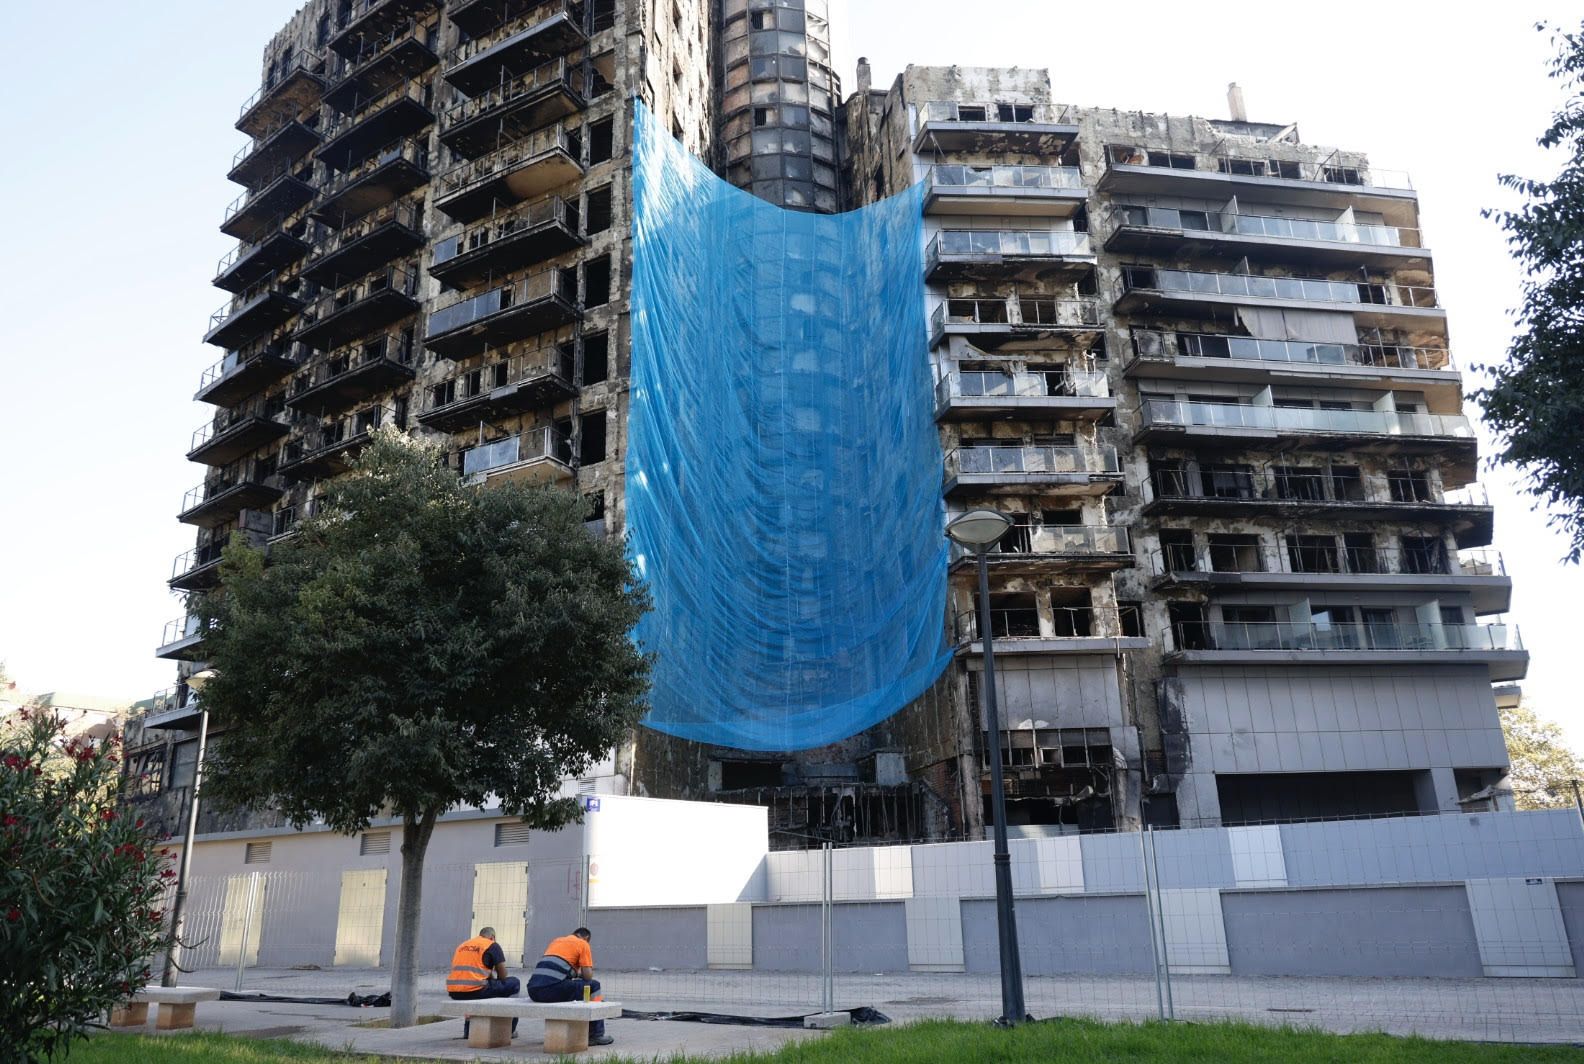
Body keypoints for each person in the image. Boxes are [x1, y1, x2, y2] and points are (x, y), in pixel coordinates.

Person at [527, 927, 613, 1046]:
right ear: (586, 938)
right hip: (551, 990)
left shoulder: (556, 941)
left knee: (574, 988)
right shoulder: (583, 944)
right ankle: (596, 1034)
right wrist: (583, 970)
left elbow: (556, 969)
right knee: (594, 986)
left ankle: (581, 1026)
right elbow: (588, 976)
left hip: (533, 991)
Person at [448, 927, 520, 1040]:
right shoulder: (492, 945)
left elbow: (476, 970)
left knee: (484, 988)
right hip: (476, 990)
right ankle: (510, 1029)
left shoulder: (463, 945)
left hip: (454, 991)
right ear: (492, 937)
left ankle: (468, 1031)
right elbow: (503, 976)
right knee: (514, 983)